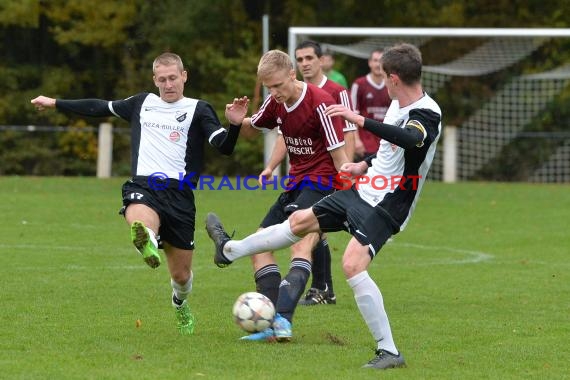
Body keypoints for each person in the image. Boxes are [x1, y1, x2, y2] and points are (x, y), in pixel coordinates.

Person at [206, 43, 442, 370]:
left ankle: (389, 351)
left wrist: (357, 119)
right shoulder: (396, 102)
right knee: (301, 222)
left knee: (352, 265)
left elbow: (412, 140)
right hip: (364, 188)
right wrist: (365, 164)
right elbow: (392, 150)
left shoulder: (426, 112)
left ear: (394, 78)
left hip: (390, 202)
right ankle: (230, 250)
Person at [31, 52, 249, 336]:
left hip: (180, 194)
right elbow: (99, 107)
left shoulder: (199, 108)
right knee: (140, 214)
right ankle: (146, 238)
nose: (168, 84)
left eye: (173, 78)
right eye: (162, 79)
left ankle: (179, 302)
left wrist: (233, 125)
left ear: (184, 76)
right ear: (154, 80)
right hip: (144, 185)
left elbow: (223, 146)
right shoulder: (142, 103)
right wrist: (56, 103)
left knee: (181, 277)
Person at [209, 49, 348, 341]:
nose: (274, 92)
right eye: (269, 87)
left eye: (278, 85)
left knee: (301, 245)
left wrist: (348, 194)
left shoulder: (321, 104)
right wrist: (236, 121)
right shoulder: (276, 102)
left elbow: (340, 156)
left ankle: (283, 320)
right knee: (260, 249)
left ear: (292, 75)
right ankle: (270, 323)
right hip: (294, 184)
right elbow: (254, 128)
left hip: (321, 185)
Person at [261, 40, 356, 308]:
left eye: (309, 58)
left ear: (321, 60)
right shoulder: (286, 94)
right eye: (299, 58)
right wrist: (271, 166)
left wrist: (344, 174)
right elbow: (282, 134)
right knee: (313, 230)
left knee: (307, 230)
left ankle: (317, 290)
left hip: (329, 173)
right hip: (301, 175)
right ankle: (322, 288)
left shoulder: (336, 92)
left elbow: (348, 132)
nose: (304, 63)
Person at [350, 48, 392, 160]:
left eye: (381, 61)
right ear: (369, 63)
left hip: (387, 143)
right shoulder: (359, 84)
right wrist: (356, 140)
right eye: (375, 60)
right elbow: (351, 114)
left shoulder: (392, 85)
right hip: (365, 144)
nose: (378, 64)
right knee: (365, 177)